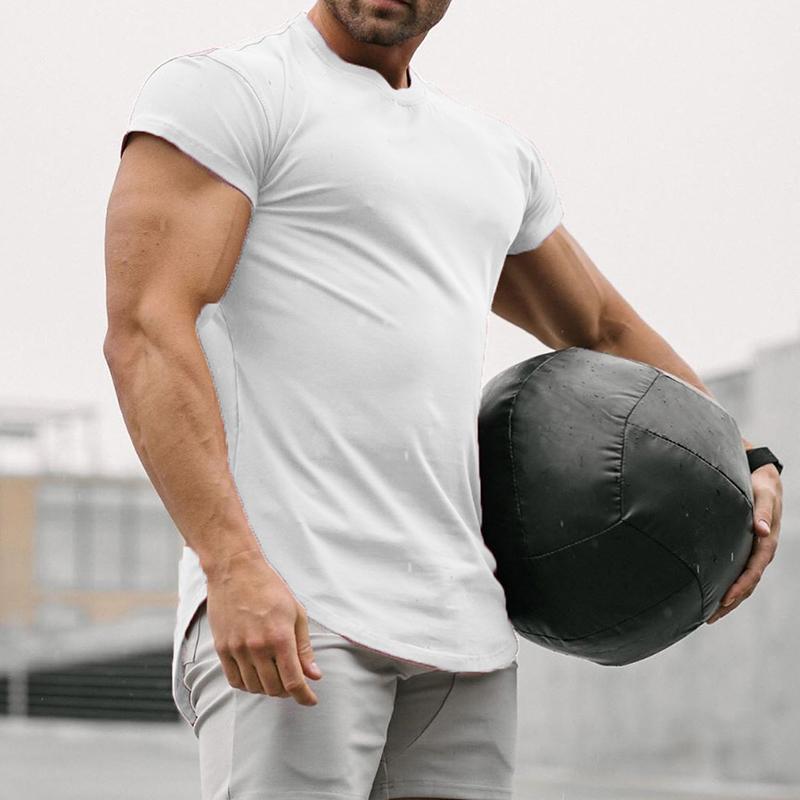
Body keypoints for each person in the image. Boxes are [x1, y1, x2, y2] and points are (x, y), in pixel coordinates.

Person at [104, 1, 785, 798]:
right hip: (296, 607)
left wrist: (743, 458)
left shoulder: (489, 155)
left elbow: (599, 326)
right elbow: (146, 331)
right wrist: (232, 566)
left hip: (463, 632)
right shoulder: (232, 94)